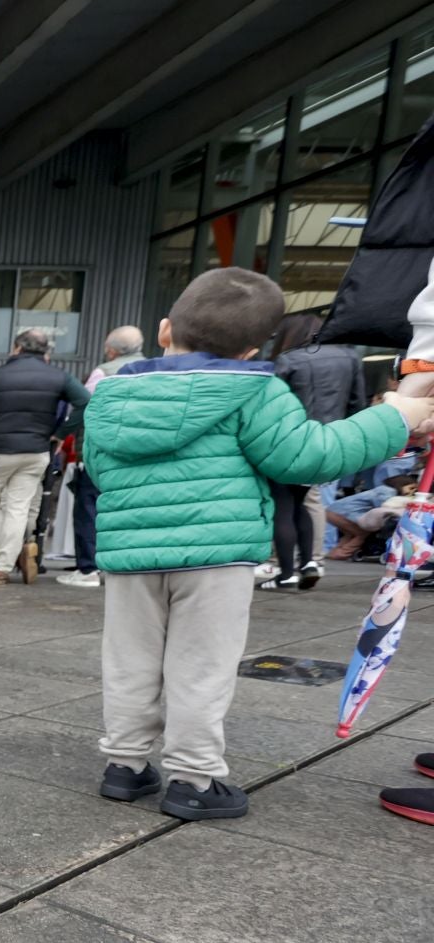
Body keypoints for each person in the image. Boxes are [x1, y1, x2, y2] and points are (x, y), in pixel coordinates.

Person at [86, 267, 433, 821]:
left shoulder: (112, 395)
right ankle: (193, 779)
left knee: (130, 661)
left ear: (164, 329)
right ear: (252, 350)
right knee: (201, 665)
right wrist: (394, 417)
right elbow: (307, 456)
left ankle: (125, 767)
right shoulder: (254, 389)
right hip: (217, 555)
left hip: (130, 556)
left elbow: (101, 472)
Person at [258, 312, 366, 589]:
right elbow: (357, 405)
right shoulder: (350, 358)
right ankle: (309, 563)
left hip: (289, 441)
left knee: (283, 507)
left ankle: (285, 574)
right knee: (305, 503)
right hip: (329, 442)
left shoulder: (287, 360)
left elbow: (271, 406)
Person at [0, 328, 89, 585]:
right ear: (46, 350)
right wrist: (60, 433)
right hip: (36, 451)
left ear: (17, 347)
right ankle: (1, 568)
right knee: (19, 509)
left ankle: (9, 556)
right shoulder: (58, 376)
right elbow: (85, 401)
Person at [55, 326, 146, 588]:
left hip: (104, 451)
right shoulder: (154, 369)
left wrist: (63, 435)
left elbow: (85, 406)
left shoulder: (104, 372)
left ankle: (88, 569)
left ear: (112, 350)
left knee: (88, 507)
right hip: (140, 451)